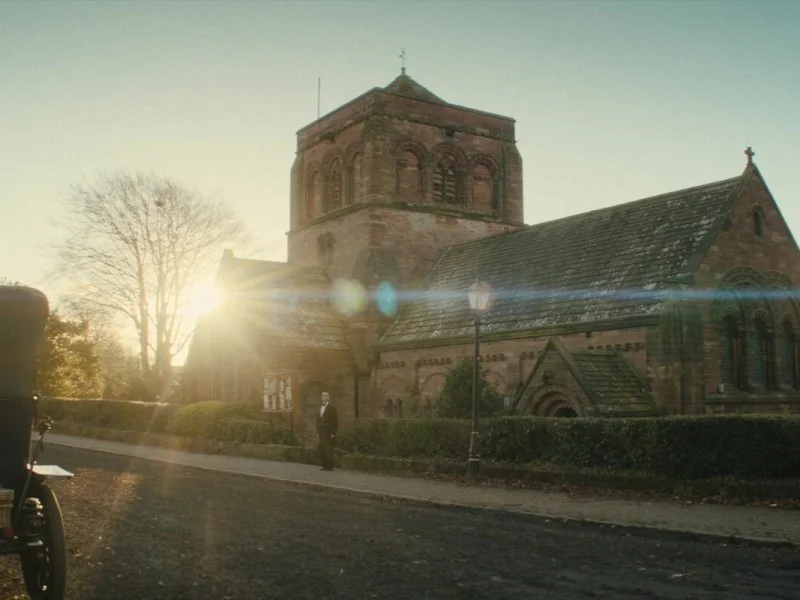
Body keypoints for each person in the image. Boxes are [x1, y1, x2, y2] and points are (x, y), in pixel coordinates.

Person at [316, 391, 338, 471]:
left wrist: (333, 432)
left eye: (326, 396)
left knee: (328, 448)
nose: (324, 397)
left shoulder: (332, 408)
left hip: (328, 430)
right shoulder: (320, 407)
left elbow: (335, 421)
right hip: (321, 430)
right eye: (323, 396)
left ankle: (330, 466)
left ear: (329, 397)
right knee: (322, 448)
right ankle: (324, 465)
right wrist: (317, 431)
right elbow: (318, 420)